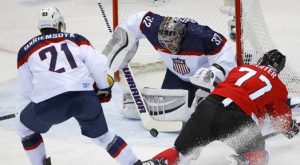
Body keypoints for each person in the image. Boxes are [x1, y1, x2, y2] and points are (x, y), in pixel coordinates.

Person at [15, 7, 142, 165]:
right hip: (84, 99)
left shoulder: (25, 51)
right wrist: (103, 88)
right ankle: (135, 163)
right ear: (59, 24)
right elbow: (99, 64)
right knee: (104, 137)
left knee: (24, 127)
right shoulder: (76, 39)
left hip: (49, 105)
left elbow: (27, 91)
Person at [147, 49, 299, 165]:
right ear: (278, 70)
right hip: (236, 118)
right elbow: (281, 121)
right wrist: (291, 128)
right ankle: (244, 161)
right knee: (260, 155)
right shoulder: (278, 85)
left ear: (262, 60)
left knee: (180, 152)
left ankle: (158, 161)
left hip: (207, 106)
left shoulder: (240, 69)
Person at [104, 11, 236, 121]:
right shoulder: (153, 28)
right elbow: (136, 21)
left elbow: (226, 56)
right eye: (165, 43)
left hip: (200, 78)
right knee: (167, 113)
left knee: (203, 115)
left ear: (181, 35)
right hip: (176, 75)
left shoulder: (202, 35)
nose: (169, 47)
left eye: (173, 42)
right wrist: (121, 43)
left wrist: (213, 73)